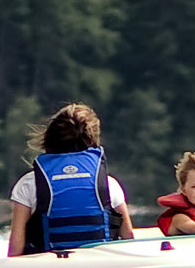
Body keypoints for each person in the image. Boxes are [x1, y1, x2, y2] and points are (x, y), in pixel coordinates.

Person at [7, 103, 136, 256]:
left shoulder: (28, 184)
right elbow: (128, 236)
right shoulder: (108, 184)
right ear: (92, 140)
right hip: (99, 265)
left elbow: (16, 247)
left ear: (50, 138)